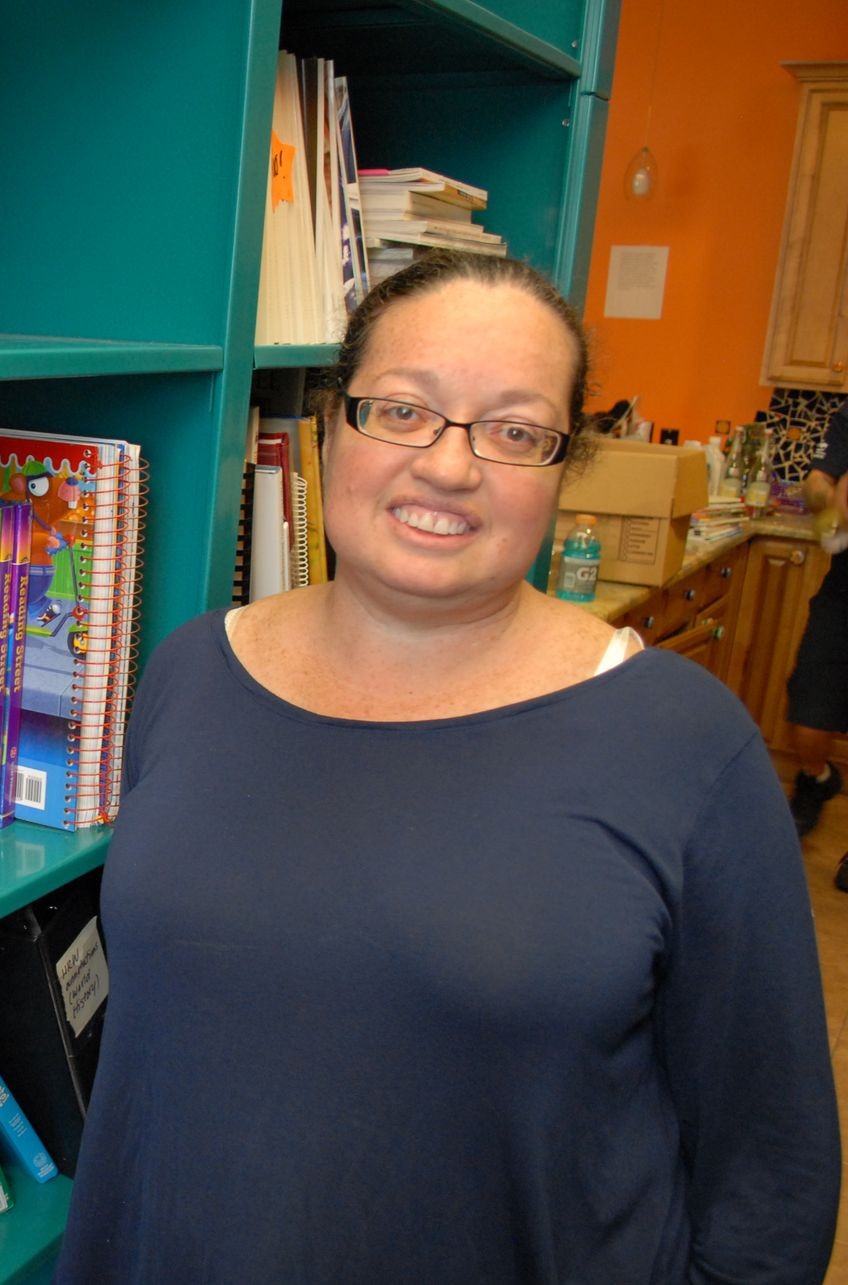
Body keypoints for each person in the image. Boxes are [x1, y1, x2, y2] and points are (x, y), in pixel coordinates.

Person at [57, 253, 839, 1282]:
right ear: (333, 424)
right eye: (404, 410)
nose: (450, 466)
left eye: (515, 431)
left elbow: (769, 1177)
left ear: (566, 467)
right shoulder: (193, 671)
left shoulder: (684, 743)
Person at [782, 405, 848, 883]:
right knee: (807, 707)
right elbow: (816, 482)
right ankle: (816, 776)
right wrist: (830, 504)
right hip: (843, 595)